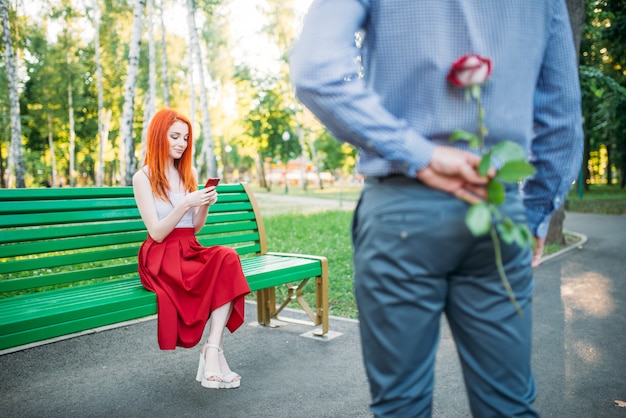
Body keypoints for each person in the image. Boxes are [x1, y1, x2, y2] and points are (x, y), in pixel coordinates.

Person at [290, 1, 583, 417]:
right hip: (497, 210)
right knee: (509, 405)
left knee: (400, 406)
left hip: (401, 212)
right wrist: (535, 214)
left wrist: (419, 153)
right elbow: (562, 119)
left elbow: (316, 72)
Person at [132, 108, 251, 389]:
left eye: (185, 138)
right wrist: (185, 202)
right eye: (174, 136)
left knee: (227, 257)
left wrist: (204, 205)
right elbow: (157, 233)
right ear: (158, 136)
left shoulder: (188, 172)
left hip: (188, 247)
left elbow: (194, 228)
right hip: (161, 255)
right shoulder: (143, 177)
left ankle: (212, 348)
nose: (181, 144)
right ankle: (214, 357)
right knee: (221, 268)